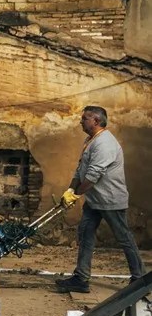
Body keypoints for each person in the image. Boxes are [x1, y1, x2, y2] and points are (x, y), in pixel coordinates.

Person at [55, 106, 145, 293]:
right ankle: (81, 278)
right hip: (95, 201)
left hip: (111, 200)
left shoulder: (105, 143)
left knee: (124, 238)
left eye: (85, 118)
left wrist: (76, 194)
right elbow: (81, 170)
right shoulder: (90, 140)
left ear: (96, 121)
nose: (81, 121)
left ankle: (139, 280)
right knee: (85, 235)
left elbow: (93, 175)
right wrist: (71, 189)